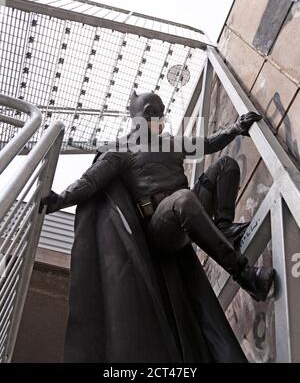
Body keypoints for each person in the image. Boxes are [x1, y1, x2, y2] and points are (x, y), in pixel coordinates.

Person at [40, 91, 274, 363]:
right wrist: (60, 200)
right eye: (152, 112)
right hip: (160, 228)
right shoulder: (121, 149)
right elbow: (90, 182)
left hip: (186, 209)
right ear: (140, 115)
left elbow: (208, 143)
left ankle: (223, 228)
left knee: (225, 166)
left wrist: (236, 128)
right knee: (184, 200)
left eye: (160, 112)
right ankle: (246, 275)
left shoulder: (169, 143)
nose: (157, 117)